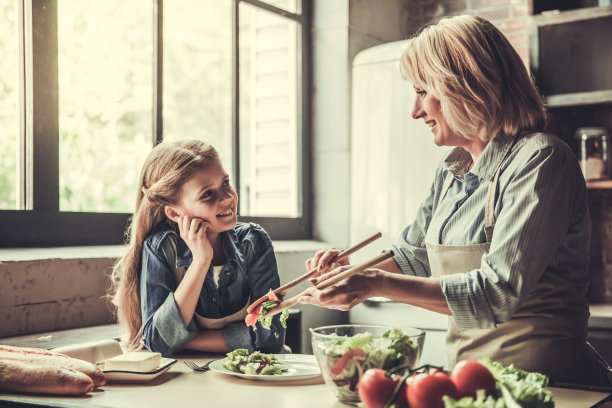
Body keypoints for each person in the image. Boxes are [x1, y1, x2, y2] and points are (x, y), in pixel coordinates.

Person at [299, 15, 604, 384]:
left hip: (552, 386)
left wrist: (373, 283)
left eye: (422, 91)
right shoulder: (451, 171)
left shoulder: (541, 160)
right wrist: (348, 268)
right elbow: (413, 257)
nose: (415, 111)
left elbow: (497, 293)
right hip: (473, 384)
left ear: (465, 86)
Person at [110, 140, 285, 357]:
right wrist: (201, 260)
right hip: (187, 379)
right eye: (207, 194)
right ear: (174, 213)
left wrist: (183, 340)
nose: (228, 197)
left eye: (225, 183)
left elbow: (271, 338)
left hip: (251, 374)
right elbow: (158, 341)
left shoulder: (253, 241)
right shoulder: (161, 247)